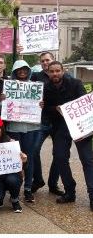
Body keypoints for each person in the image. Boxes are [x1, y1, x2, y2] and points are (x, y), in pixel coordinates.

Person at [43, 61, 93, 211]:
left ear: (63, 71)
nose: (55, 74)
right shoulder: (46, 88)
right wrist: (55, 109)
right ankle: (70, 191)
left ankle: (92, 196)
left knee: (87, 160)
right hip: (61, 127)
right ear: (49, 73)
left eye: (58, 71)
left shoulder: (76, 83)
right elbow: (45, 109)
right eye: (52, 71)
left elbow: (85, 103)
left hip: (79, 127)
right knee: (59, 157)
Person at [5, 60, 41, 203]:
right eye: (19, 70)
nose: (22, 72)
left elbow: (38, 106)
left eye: (25, 69)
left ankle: (27, 189)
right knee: (15, 158)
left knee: (29, 158)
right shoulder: (9, 87)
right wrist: (3, 101)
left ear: (28, 71)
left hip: (31, 127)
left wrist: (40, 104)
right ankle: (15, 189)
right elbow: (5, 107)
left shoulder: (35, 87)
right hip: (14, 127)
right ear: (14, 71)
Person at [30, 52, 63, 195]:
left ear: (53, 60)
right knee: (34, 150)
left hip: (58, 122)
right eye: (42, 61)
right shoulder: (36, 77)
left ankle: (53, 183)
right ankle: (37, 179)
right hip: (41, 121)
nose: (45, 62)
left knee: (59, 153)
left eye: (47, 60)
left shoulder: (63, 77)